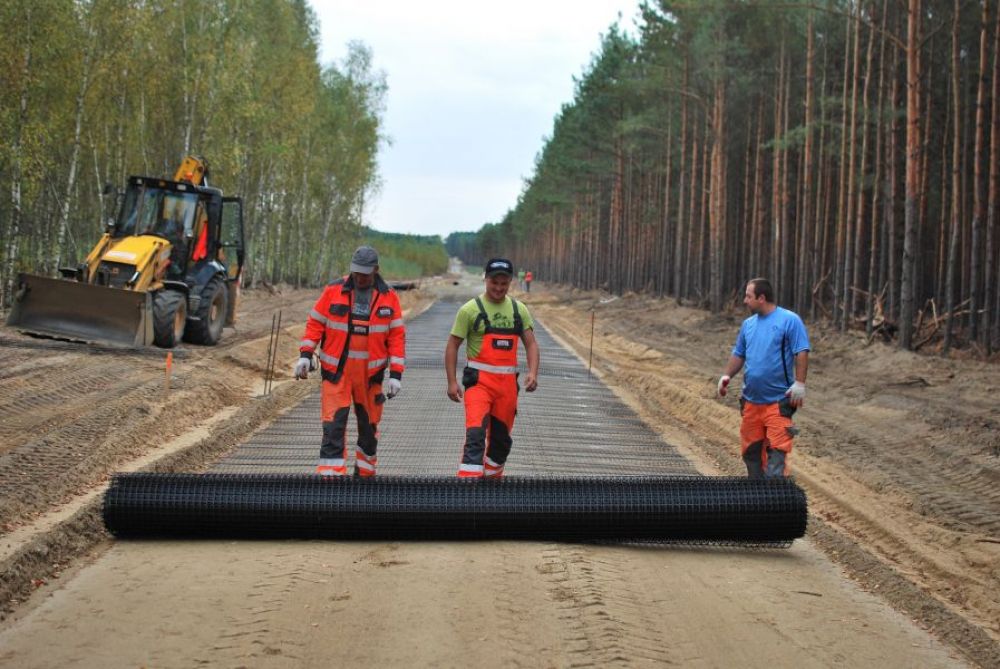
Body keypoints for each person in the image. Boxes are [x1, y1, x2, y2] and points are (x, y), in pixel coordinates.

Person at [294, 245, 406, 477]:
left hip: (370, 378)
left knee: (368, 432)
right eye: (356, 272)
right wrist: (306, 354)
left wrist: (395, 375)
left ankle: (363, 486)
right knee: (333, 429)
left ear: (376, 270)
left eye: (365, 273)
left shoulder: (388, 298)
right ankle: (331, 486)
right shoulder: (334, 290)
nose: (360, 277)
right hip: (337, 374)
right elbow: (315, 323)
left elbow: (397, 338)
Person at [445, 257, 540, 478]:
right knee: (475, 437)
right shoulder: (469, 310)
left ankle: (491, 488)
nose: (498, 288)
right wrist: (451, 382)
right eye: (494, 282)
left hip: (507, 389)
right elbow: (452, 345)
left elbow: (531, 344)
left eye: (503, 283)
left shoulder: (519, 310)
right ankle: (468, 494)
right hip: (479, 385)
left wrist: (533, 372)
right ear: (485, 279)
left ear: (510, 283)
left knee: (501, 443)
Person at [717, 277, 810, 479]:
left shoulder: (789, 320)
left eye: (748, 296)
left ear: (761, 298)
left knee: (776, 454)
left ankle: (775, 501)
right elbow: (739, 353)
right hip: (751, 402)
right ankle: (757, 499)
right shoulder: (748, 325)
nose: (744, 300)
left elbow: (801, 351)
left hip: (778, 401)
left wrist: (800, 383)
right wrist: (726, 375)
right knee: (751, 453)